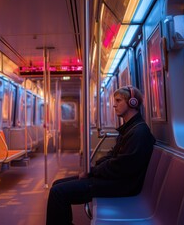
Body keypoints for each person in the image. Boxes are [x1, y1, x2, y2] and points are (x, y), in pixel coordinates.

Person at [46, 86, 156, 225]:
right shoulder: (130, 129)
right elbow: (113, 156)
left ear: (132, 103)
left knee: (58, 192)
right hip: (116, 179)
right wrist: (92, 170)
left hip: (122, 185)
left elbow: (121, 166)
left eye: (118, 100)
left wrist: (93, 172)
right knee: (57, 184)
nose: (114, 105)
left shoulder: (139, 132)